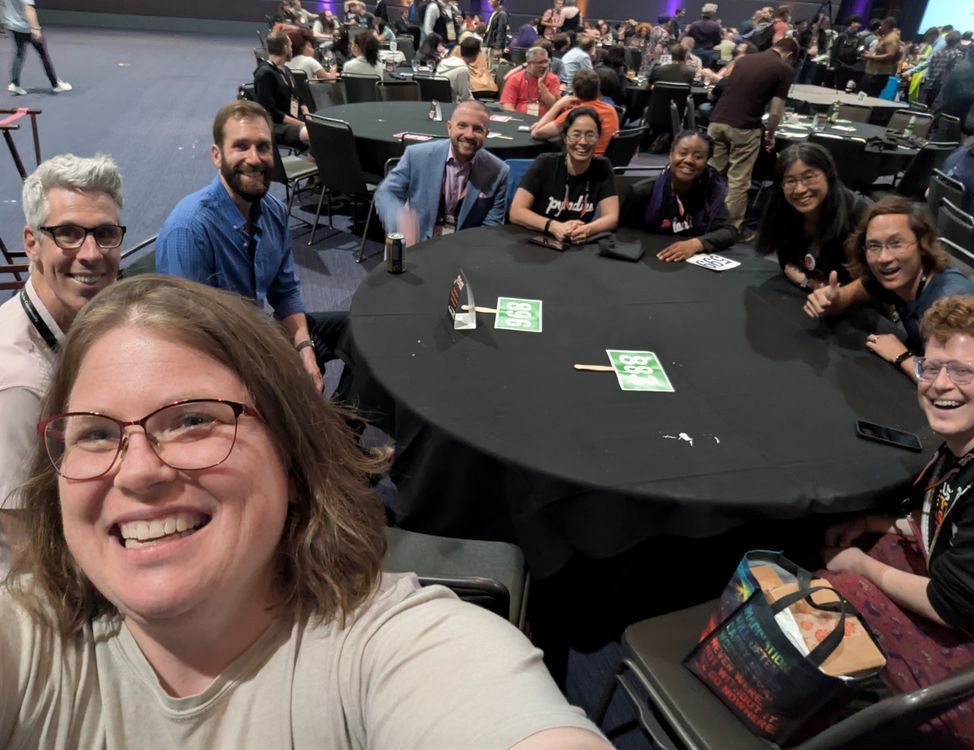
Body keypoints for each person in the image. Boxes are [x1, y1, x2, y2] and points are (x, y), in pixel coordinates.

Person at [0, 274, 613, 749]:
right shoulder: (25, 638)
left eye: (192, 421)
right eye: (96, 434)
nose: (136, 471)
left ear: (293, 460)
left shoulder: (394, 648)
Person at [818, 293, 974, 749]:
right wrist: (881, 523)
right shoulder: (970, 442)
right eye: (930, 367)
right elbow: (949, 516)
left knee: (827, 595)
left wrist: (859, 566)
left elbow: (951, 604)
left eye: (963, 371)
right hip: (969, 599)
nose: (940, 384)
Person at [156, 101, 343, 394]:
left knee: (355, 331)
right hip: (217, 359)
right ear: (217, 155)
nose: (254, 159)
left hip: (257, 332)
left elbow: (285, 291)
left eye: (263, 147)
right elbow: (187, 338)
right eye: (241, 147)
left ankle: (348, 432)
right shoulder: (191, 229)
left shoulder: (273, 211)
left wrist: (305, 350)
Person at [0, 154, 122, 521]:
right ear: (32, 243)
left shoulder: (87, 320)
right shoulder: (20, 384)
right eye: (67, 233)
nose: (91, 254)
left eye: (105, 234)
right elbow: (22, 548)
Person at [804, 196, 974, 379]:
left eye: (896, 244)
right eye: (874, 246)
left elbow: (961, 384)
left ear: (921, 245)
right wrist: (830, 299)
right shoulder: (895, 277)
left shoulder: (951, 301)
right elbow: (847, 297)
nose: (884, 258)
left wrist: (902, 357)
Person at [374, 100, 508, 247]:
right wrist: (400, 221)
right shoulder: (417, 155)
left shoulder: (498, 171)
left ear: (486, 134)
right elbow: (386, 192)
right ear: (449, 128)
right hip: (415, 244)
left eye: (477, 129)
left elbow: (491, 227)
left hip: (464, 248)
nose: (469, 135)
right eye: (462, 125)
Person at [707, 37, 798, 235]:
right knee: (738, 180)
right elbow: (775, 112)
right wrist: (770, 135)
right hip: (745, 127)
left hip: (717, 122)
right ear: (789, 55)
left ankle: (700, 216)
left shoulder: (744, 60)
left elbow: (724, 87)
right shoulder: (784, 70)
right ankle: (728, 229)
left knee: (710, 173)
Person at [757, 143, 870, 289]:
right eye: (790, 181)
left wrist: (807, 282)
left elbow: (868, 284)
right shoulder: (784, 209)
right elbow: (788, 265)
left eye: (809, 177)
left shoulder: (858, 216)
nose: (799, 189)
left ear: (828, 175)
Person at [621, 130, 735, 261]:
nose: (689, 160)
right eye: (683, 153)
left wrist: (695, 244)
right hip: (650, 259)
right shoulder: (642, 192)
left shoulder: (711, 190)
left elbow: (729, 232)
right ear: (671, 155)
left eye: (698, 157)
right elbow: (624, 235)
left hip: (691, 262)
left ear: (706, 162)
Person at [511, 107, 618, 245]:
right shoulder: (545, 163)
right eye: (576, 134)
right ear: (565, 138)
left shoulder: (603, 167)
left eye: (590, 135)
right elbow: (516, 211)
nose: (583, 142)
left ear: (598, 139)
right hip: (539, 240)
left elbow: (612, 217)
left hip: (577, 243)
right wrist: (553, 226)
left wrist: (587, 229)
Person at [530, 69, 619, 156]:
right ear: (598, 89)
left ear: (574, 91)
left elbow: (536, 133)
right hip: (607, 164)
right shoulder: (611, 109)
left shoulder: (575, 113)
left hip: (584, 163)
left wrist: (558, 104)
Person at [253, 31, 309, 150]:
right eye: (290, 46)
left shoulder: (286, 70)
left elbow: (298, 98)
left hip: (294, 119)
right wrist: (301, 124)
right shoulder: (264, 74)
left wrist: (307, 115)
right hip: (276, 125)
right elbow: (271, 112)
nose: (292, 49)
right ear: (285, 48)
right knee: (317, 134)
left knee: (327, 129)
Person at [4, 0, 71, 95]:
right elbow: (29, 8)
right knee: (43, 54)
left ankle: (14, 84)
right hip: (27, 28)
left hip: (15, 26)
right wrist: (35, 28)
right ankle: (56, 85)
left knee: (19, 53)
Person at [500, 45, 560, 116]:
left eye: (546, 62)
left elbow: (554, 107)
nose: (544, 66)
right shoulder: (515, 79)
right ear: (529, 63)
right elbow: (508, 106)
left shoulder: (553, 79)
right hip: (520, 121)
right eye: (540, 62)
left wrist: (541, 85)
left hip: (545, 122)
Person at [922, 30, 966, 107]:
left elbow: (930, 69)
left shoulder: (937, 52)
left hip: (930, 84)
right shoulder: (957, 54)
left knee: (925, 106)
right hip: (943, 87)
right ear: (958, 41)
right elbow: (954, 73)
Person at [860, 16, 901, 97]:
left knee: (870, 96)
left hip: (878, 74)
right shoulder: (886, 36)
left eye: (882, 25)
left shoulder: (892, 38)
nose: (880, 27)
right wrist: (870, 54)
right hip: (873, 72)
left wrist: (872, 57)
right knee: (862, 94)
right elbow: (881, 52)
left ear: (887, 25)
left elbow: (890, 55)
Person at [436, 35, 480, 100]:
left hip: (437, 100)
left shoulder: (445, 62)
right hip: (450, 104)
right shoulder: (462, 70)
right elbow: (465, 97)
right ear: (476, 54)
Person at [828, 15, 866, 91]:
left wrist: (859, 54)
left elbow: (860, 50)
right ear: (851, 23)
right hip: (839, 65)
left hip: (851, 66)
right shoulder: (842, 36)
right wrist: (832, 63)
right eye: (857, 22)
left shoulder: (859, 38)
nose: (859, 25)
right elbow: (835, 50)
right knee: (836, 87)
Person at [688, 3, 723, 68]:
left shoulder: (694, 24)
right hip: (710, 52)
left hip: (695, 51)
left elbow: (690, 38)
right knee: (715, 66)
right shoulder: (715, 26)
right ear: (712, 14)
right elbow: (718, 41)